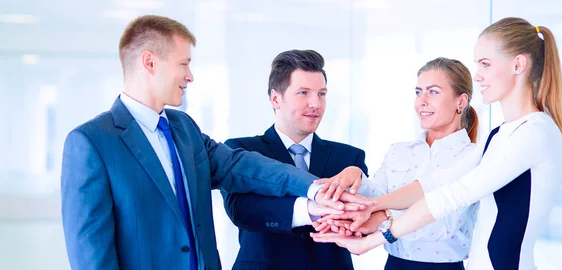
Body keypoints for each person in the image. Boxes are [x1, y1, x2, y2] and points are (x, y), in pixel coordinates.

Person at [61, 15, 369, 270]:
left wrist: (316, 189)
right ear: (150, 62)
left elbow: (243, 165)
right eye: (184, 64)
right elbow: (92, 256)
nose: (190, 76)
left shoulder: (184, 128)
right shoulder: (91, 142)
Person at [312, 17, 562, 270]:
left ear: (518, 64)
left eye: (486, 64)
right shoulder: (501, 134)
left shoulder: (534, 133)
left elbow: (452, 196)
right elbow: (434, 184)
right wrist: (370, 205)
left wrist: (376, 236)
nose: (477, 76)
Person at [316, 57, 480, 270]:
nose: (422, 101)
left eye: (433, 92)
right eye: (418, 92)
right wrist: (355, 176)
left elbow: (443, 223)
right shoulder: (399, 151)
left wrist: (381, 219)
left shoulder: (473, 157)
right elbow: (376, 197)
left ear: (461, 101)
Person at [221, 49, 369, 270]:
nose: (315, 104)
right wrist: (310, 208)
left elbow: (361, 217)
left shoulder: (349, 159)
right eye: (303, 93)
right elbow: (243, 210)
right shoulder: (241, 150)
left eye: (321, 94)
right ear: (275, 98)